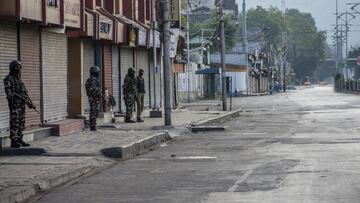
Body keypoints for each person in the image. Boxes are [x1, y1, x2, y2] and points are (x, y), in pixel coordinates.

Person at [4, 60, 35, 148]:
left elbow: (25, 93)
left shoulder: (20, 80)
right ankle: (13, 141)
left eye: (19, 67)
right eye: (16, 67)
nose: (18, 69)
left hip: (22, 105)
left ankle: (19, 139)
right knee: (15, 122)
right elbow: (9, 93)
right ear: (11, 68)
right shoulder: (8, 79)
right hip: (15, 105)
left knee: (21, 123)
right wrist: (18, 97)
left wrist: (29, 103)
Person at [86, 66, 102, 131]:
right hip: (94, 98)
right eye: (97, 71)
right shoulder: (92, 80)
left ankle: (93, 124)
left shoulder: (92, 80)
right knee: (94, 111)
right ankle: (92, 126)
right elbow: (92, 90)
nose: (98, 73)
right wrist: (99, 93)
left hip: (94, 98)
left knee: (95, 111)